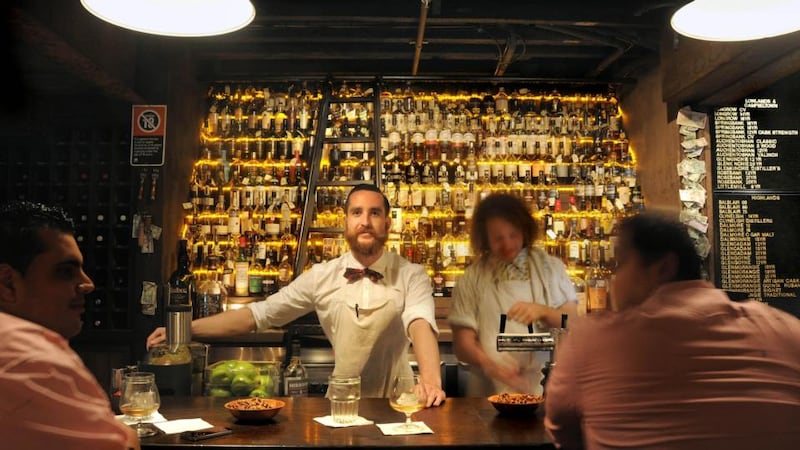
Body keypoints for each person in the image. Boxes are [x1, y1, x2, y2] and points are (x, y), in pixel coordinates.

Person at [147, 184, 445, 405]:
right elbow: (257, 316)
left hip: (401, 401)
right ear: (345, 224)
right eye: (357, 213)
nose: (365, 221)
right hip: (342, 403)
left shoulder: (411, 273)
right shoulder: (321, 276)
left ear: (388, 223)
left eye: (374, 213)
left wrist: (431, 383)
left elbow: (420, 322)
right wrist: (184, 331)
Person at [544, 212, 800, 450]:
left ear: (664, 267)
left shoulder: (592, 340)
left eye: (619, 265)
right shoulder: (787, 329)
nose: (613, 280)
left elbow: (563, 433)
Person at [0, 201, 140, 450]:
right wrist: (125, 434)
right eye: (65, 272)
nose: (88, 284)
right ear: (8, 282)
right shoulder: (33, 362)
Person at [448, 193, 578, 396]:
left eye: (513, 234)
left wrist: (543, 311)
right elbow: (463, 344)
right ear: (485, 239)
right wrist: (491, 365)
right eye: (498, 238)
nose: (507, 244)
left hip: (545, 389)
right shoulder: (472, 277)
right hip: (487, 391)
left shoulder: (549, 268)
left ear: (525, 231)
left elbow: (571, 320)